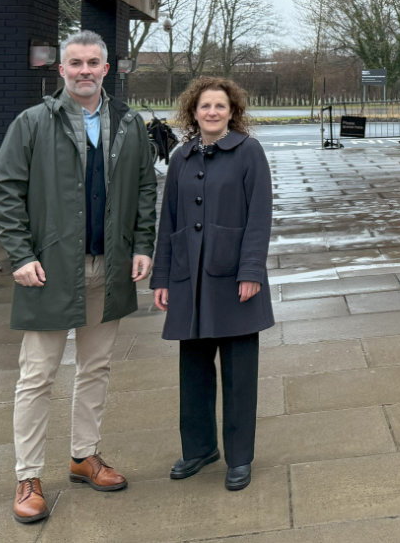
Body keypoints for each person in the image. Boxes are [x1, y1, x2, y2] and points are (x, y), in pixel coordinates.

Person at [0, 30, 157, 523]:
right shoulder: (32, 123)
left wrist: (143, 245)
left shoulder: (129, 123)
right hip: (48, 270)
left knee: (95, 368)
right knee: (37, 375)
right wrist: (19, 254)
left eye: (93, 63)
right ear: (60, 70)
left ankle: (84, 456)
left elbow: (146, 188)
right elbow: (6, 192)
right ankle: (28, 476)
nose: (84, 70)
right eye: (75, 63)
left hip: (108, 268)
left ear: (107, 69)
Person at [151, 76, 273, 492]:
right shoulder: (181, 157)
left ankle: (239, 457)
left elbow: (260, 215)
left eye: (220, 106)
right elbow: (168, 221)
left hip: (234, 277)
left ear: (231, 111)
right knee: (194, 369)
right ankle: (200, 448)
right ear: (193, 112)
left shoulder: (248, 152)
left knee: (239, 372)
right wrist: (162, 277)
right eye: (205, 106)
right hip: (190, 278)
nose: (213, 113)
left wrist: (251, 271)